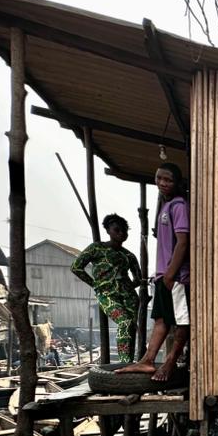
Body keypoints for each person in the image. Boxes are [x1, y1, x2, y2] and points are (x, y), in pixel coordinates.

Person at [122, 162, 189, 382]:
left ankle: (170, 362)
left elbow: (183, 243)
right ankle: (147, 359)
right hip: (162, 274)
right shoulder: (165, 206)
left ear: (177, 183)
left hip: (176, 276)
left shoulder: (179, 206)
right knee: (161, 320)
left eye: (168, 179)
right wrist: (163, 275)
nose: (162, 183)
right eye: (159, 178)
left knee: (181, 321)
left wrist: (170, 274)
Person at [71, 213, 142, 363]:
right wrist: (95, 284)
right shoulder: (96, 248)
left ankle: (128, 362)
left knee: (131, 327)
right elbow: (76, 267)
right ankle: (124, 363)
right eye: (117, 230)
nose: (121, 233)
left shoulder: (129, 255)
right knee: (125, 322)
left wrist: (129, 285)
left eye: (124, 231)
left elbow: (138, 279)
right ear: (108, 230)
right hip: (106, 294)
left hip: (129, 296)